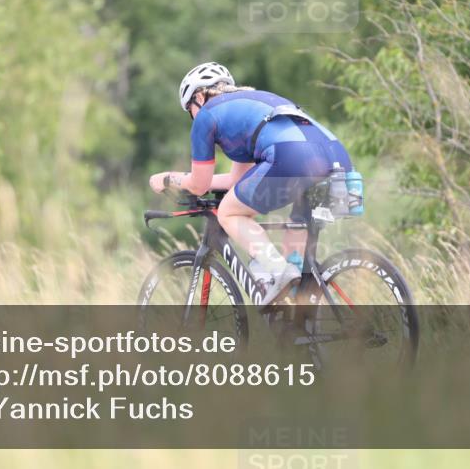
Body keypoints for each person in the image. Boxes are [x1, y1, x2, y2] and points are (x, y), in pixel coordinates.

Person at [149, 62, 354, 307]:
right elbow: (238, 181)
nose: (192, 116)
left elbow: (199, 185)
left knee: (229, 212)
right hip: (336, 158)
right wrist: (193, 179)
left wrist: (168, 179)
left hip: (291, 156)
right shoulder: (250, 104)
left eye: (189, 109)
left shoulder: (206, 115)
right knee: (295, 253)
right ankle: (302, 321)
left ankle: (277, 270)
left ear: (200, 97)